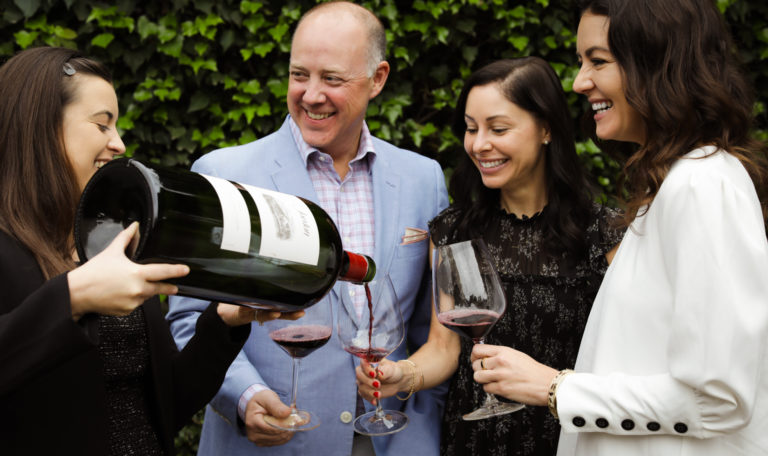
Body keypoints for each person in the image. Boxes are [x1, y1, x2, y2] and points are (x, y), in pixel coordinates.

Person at [464, 1, 768, 455]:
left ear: (658, 62)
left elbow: (719, 400)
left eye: (598, 61)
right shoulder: (672, 185)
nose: (579, 81)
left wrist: (554, 387)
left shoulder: (703, 184)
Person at [166, 2, 449, 455]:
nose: (311, 94)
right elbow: (186, 320)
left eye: (332, 79)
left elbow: (430, 328)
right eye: (300, 75)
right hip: (273, 444)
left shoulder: (424, 177)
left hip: (395, 442)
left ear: (378, 79)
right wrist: (243, 398)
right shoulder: (223, 175)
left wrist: (423, 413)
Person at [0, 46, 292, 455]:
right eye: (102, 125)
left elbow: (165, 407)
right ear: (41, 128)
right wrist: (72, 297)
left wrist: (224, 322)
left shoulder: (108, 245)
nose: (119, 143)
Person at [356, 57, 624, 456]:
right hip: (473, 437)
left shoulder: (604, 234)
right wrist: (403, 373)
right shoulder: (454, 230)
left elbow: (623, 361)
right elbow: (444, 349)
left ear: (546, 129)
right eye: (470, 128)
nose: (479, 144)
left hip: (569, 437)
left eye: (498, 129)